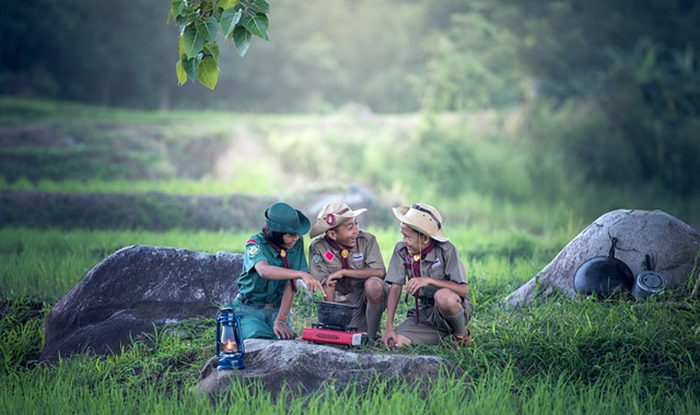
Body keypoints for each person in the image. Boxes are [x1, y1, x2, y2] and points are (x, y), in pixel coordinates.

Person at [227, 202, 324, 340]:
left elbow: (290, 286)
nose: (295, 238)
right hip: (250, 309)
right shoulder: (255, 243)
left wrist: (281, 320)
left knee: (286, 341)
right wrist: (301, 273)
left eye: (297, 234)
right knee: (258, 338)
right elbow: (264, 271)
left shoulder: (295, 243)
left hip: (277, 310)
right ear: (277, 233)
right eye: (290, 235)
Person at [381, 203, 472, 349]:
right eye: (402, 235)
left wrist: (429, 280)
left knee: (443, 297)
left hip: (450, 309)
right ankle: (441, 337)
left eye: (407, 236)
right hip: (424, 314)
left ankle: (460, 334)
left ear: (425, 238)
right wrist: (389, 327)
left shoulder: (446, 250)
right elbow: (396, 287)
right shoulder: (401, 250)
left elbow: (463, 290)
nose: (403, 240)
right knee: (393, 343)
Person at [308, 202, 387, 340]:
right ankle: (341, 327)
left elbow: (380, 272)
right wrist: (331, 325)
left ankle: (374, 334)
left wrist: (344, 272)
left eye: (356, 224)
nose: (356, 230)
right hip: (343, 303)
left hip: (365, 296)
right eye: (350, 227)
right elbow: (326, 283)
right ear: (332, 234)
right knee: (344, 334)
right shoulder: (318, 247)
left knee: (374, 285)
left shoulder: (366, 240)